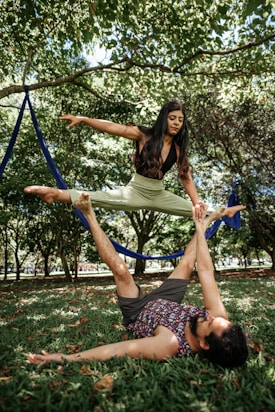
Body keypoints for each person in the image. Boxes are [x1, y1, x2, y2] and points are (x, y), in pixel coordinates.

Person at [28, 193, 248, 368]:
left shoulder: (169, 345)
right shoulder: (219, 319)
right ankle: (206, 222)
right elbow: (206, 271)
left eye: (208, 322)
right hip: (168, 302)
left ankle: (88, 214)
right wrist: (202, 225)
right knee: (188, 263)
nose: (208, 315)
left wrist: (64, 358)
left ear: (204, 344)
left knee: (121, 270)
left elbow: (116, 350)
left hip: (140, 311)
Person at [24, 100, 208, 219]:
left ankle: (227, 213)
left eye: (180, 120)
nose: (176, 122)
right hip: (136, 191)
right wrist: (84, 119)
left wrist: (196, 202)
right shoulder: (143, 135)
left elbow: (186, 177)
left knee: (202, 212)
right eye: (172, 118)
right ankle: (53, 193)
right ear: (164, 119)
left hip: (159, 194)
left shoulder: (177, 148)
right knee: (98, 197)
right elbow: (112, 127)